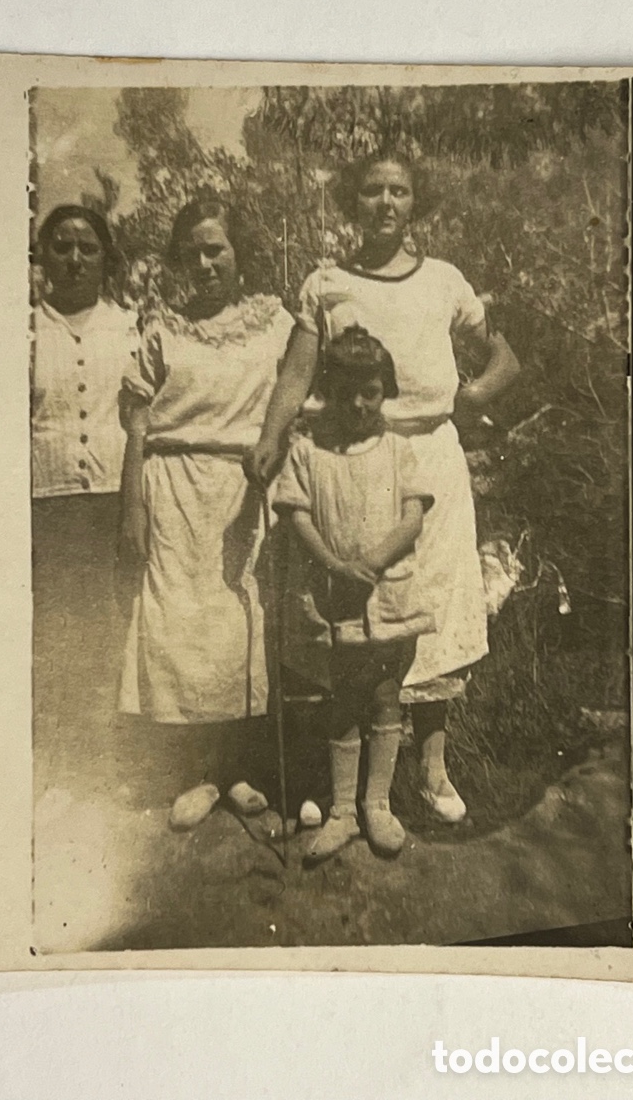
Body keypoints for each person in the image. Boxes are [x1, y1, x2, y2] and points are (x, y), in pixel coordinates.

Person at [246, 153, 520, 823]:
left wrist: (473, 393)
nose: (385, 202)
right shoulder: (327, 283)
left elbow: (504, 358)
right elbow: (295, 375)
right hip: (347, 461)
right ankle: (342, 785)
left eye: (399, 191)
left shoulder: (445, 281)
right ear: (353, 201)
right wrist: (271, 437)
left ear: (414, 202)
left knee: (432, 616)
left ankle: (429, 772)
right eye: (372, 190)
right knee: (351, 615)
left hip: (428, 462)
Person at [119, 196, 295, 831]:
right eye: (192, 250)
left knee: (236, 626)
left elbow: (300, 394)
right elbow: (136, 426)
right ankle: (196, 775)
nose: (204, 260)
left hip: (244, 487)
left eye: (215, 247)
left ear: (239, 252)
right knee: (180, 630)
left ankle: (239, 772)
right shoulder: (162, 328)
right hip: (171, 487)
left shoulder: (276, 323)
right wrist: (132, 507)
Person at [275, 326, 434, 861]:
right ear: (328, 391)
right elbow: (296, 515)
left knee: (386, 694)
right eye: (347, 391)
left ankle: (377, 805)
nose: (359, 403)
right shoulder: (307, 453)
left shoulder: (398, 450)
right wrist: (335, 565)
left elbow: (412, 517)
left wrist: (371, 561)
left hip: (386, 594)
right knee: (340, 698)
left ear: (385, 390)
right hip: (334, 596)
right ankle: (343, 811)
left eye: (370, 390)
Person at [30, 205, 139, 789]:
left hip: (112, 500)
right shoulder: (23, 328)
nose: (74, 259)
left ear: (105, 259)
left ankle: (106, 762)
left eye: (88, 248)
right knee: (51, 633)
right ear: (42, 256)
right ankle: (57, 764)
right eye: (62, 247)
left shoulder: (130, 326)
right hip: (44, 502)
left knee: (109, 629)